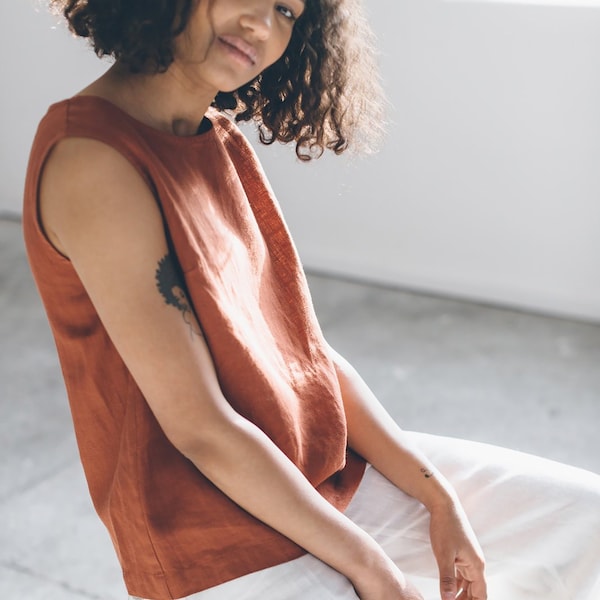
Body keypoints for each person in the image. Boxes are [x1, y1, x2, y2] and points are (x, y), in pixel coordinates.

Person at [22, 1, 600, 599]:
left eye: (287, 10)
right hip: (212, 546)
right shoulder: (92, 158)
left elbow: (307, 353)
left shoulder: (218, 138)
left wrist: (440, 497)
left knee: (586, 520)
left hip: (323, 480)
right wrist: (372, 568)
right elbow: (201, 427)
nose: (263, 25)